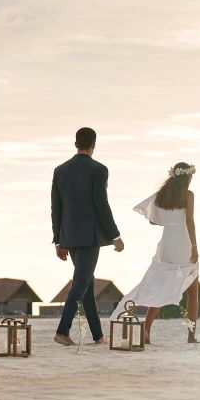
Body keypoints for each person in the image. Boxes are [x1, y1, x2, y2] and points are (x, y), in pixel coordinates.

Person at [111, 162, 200, 343]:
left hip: (168, 244)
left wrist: (170, 220)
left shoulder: (164, 195)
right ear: (187, 177)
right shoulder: (188, 195)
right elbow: (190, 221)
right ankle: (191, 336)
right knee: (193, 293)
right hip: (183, 242)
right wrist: (194, 246)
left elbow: (153, 221)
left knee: (161, 287)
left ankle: (146, 330)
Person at [51, 127, 124, 346]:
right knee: (81, 282)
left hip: (69, 236)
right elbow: (102, 204)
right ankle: (62, 331)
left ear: (75, 143)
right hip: (89, 236)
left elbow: (56, 207)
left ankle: (98, 336)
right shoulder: (99, 169)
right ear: (94, 143)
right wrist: (115, 235)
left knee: (87, 285)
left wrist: (58, 240)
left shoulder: (60, 170)